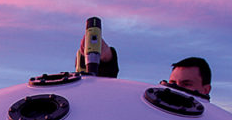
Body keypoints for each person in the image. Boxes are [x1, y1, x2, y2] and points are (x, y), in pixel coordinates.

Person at [75, 36, 212, 99]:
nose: (176, 88)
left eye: (186, 84)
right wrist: (107, 61)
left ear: (206, 89)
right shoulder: (156, 112)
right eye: (172, 83)